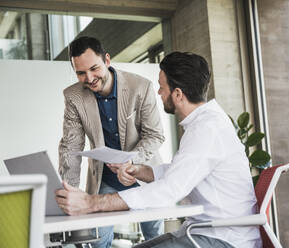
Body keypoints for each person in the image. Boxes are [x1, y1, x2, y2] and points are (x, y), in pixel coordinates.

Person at [56, 51, 262, 248]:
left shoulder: (206, 129)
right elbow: (180, 172)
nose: (159, 92)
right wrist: (140, 171)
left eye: (162, 87)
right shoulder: (205, 124)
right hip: (203, 231)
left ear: (178, 94)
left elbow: (171, 189)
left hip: (223, 239)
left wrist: (92, 202)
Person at [58, 36, 165, 248]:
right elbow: (71, 147)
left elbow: (155, 135)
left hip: (143, 173)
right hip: (104, 180)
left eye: (94, 68)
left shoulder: (140, 87)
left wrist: (132, 164)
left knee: (155, 239)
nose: (89, 78)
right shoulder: (73, 96)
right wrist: (68, 192)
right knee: (99, 242)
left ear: (107, 60)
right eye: (80, 73)